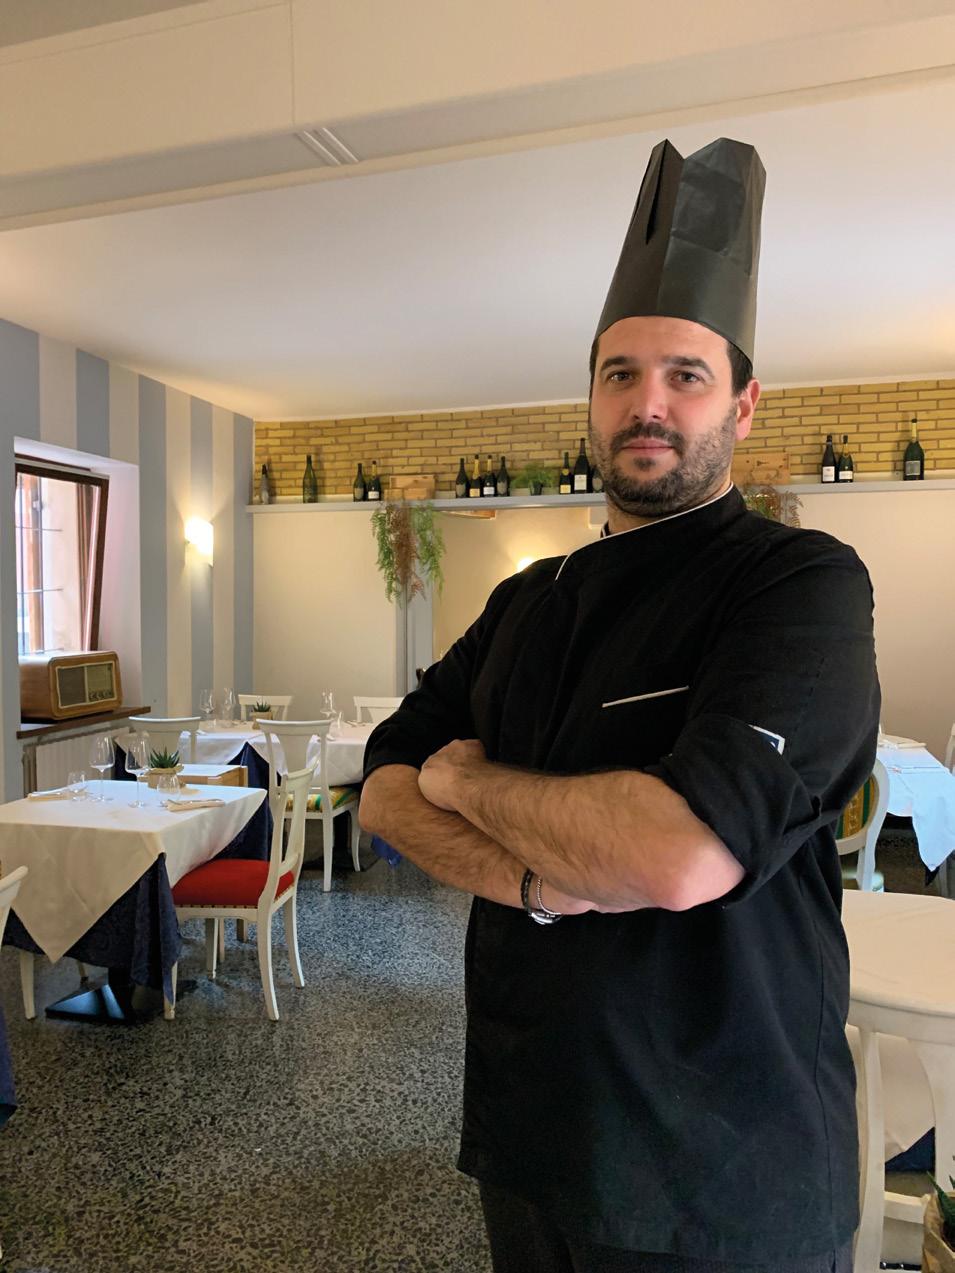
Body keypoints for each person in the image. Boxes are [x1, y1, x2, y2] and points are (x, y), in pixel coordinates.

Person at [360, 137, 880, 1272]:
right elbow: (385, 786)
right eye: (619, 374)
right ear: (590, 401)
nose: (648, 404)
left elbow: (680, 855)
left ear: (742, 405)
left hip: (722, 1169)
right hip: (529, 1136)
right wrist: (536, 877)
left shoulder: (797, 583)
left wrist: (472, 781)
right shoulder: (525, 599)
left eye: (686, 375)